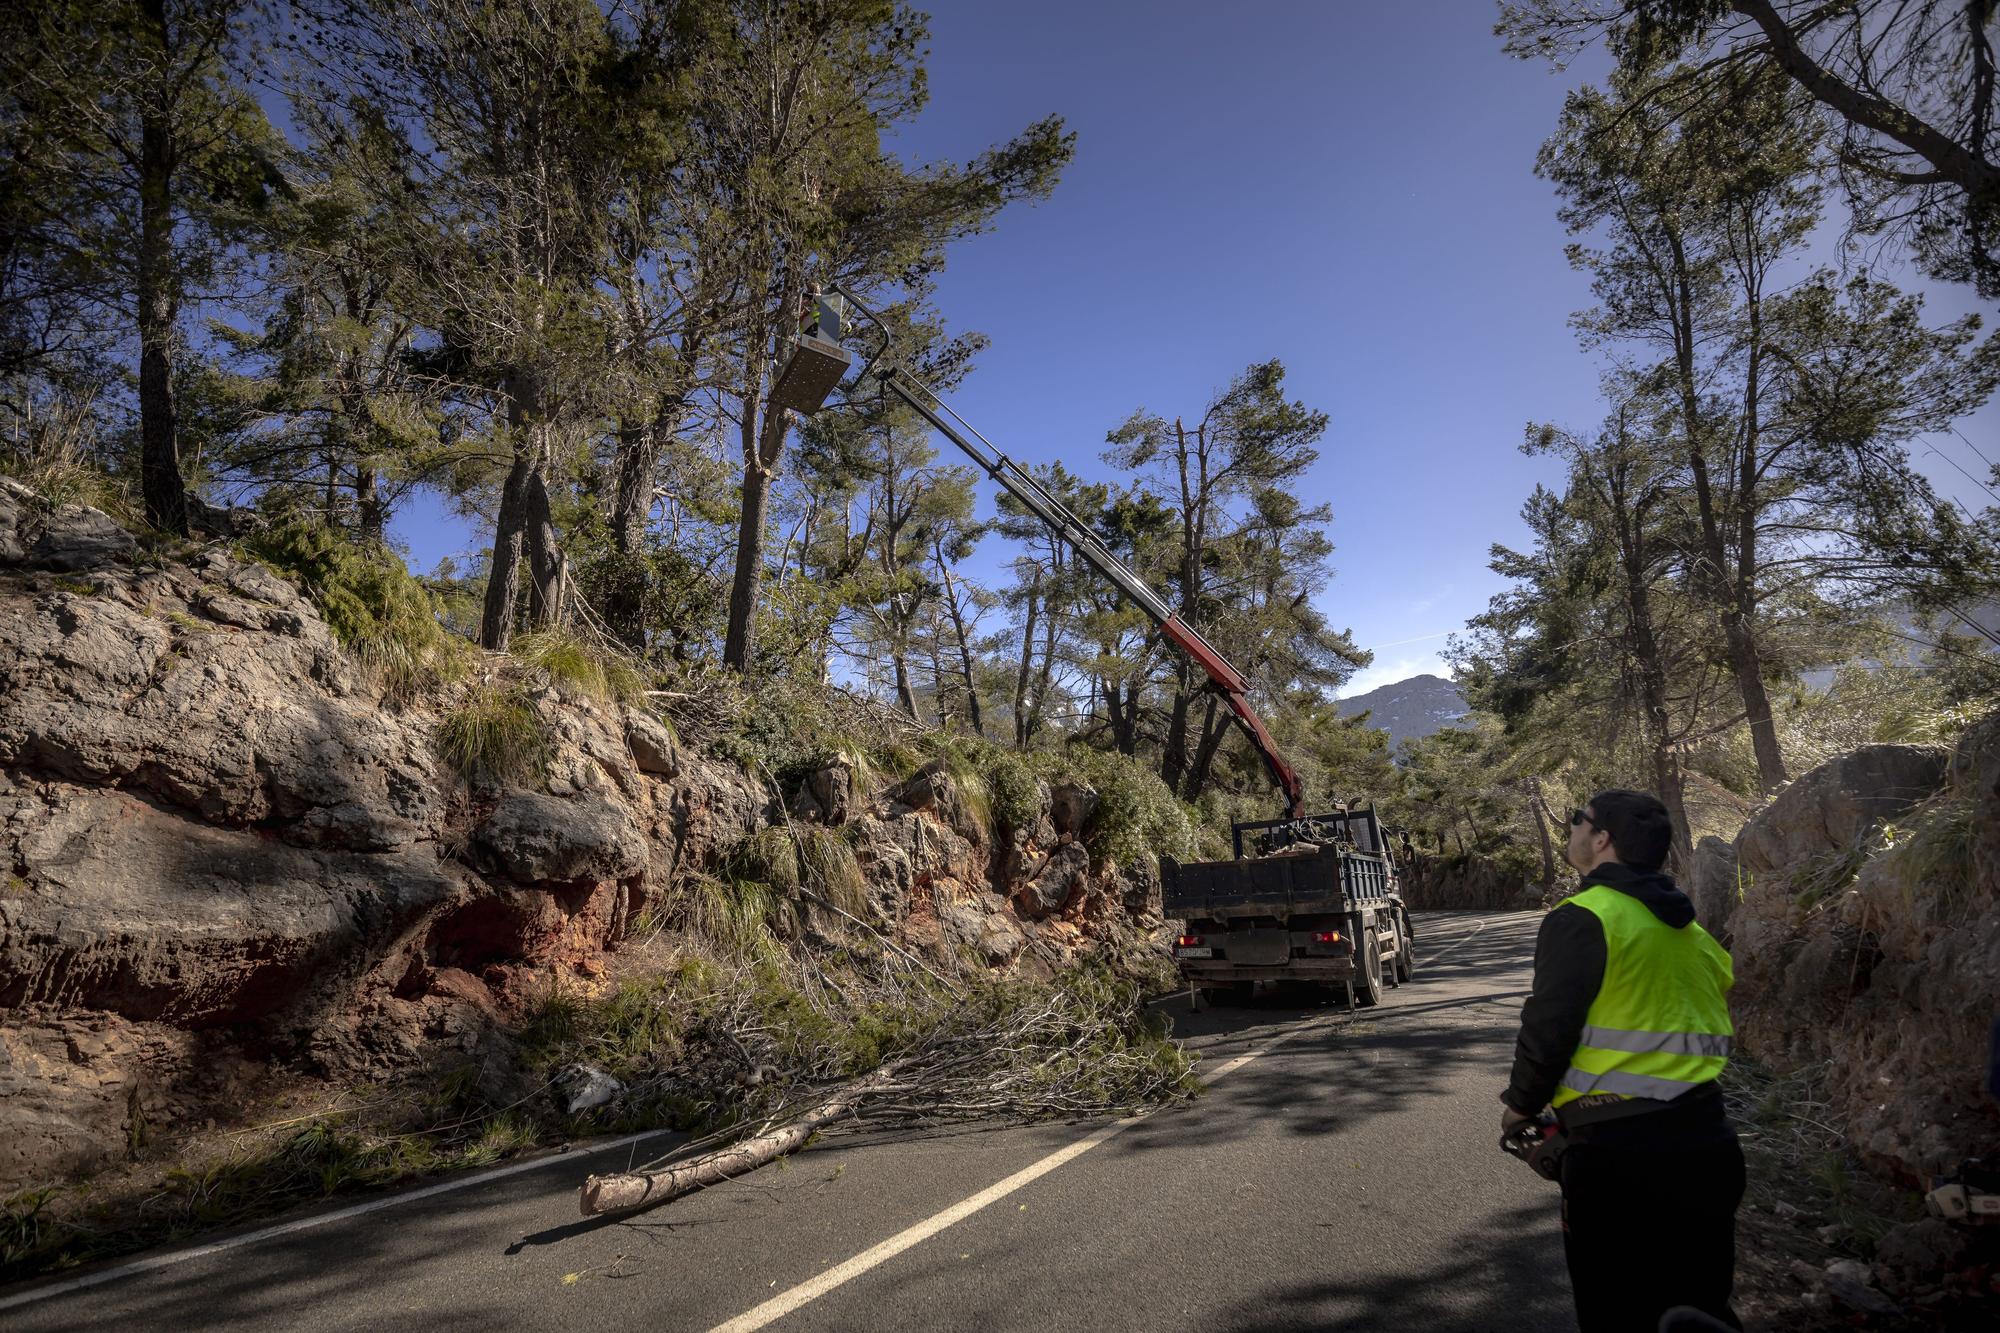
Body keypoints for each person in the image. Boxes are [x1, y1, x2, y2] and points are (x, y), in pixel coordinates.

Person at [1500, 789, 1744, 1332]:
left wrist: (1520, 1107)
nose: (1572, 830)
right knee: (1700, 1311)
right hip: (1710, 1145)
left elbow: (1549, 1028)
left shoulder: (1584, 917)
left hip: (1619, 1160)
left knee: (1617, 1314)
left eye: (1577, 821)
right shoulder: (1695, 936)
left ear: (1601, 838)